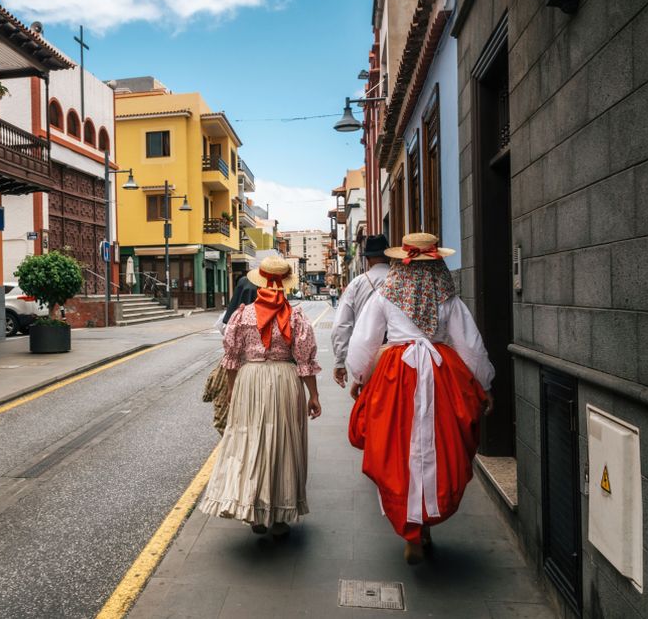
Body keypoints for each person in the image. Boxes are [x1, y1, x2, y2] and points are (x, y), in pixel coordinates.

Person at [345, 233, 494, 565]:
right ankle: (424, 524)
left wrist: (358, 377)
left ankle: (410, 526)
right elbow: (469, 346)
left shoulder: (385, 295)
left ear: (402, 260)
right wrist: (484, 384)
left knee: (398, 448)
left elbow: (364, 341)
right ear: (437, 261)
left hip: (396, 376)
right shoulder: (448, 298)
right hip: (442, 374)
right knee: (437, 448)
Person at [198, 256, 322, 536]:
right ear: (285, 285)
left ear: (260, 281)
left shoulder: (242, 315)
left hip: (249, 381)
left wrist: (232, 391)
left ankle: (254, 512)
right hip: (285, 381)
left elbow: (230, 359)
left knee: (249, 441)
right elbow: (304, 362)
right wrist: (313, 395)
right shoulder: (297, 317)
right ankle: (279, 515)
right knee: (282, 443)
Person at [331, 234, 390, 389]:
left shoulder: (357, 284)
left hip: (368, 358)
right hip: (400, 357)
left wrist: (340, 361)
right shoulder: (402, 280)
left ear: (368, 259)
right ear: (389, 256)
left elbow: (342, 325)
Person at [206, 276, 259, 435]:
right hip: (260, 369)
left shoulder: (230, 317)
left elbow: (226, 336)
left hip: (234, 368)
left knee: (229, 414)